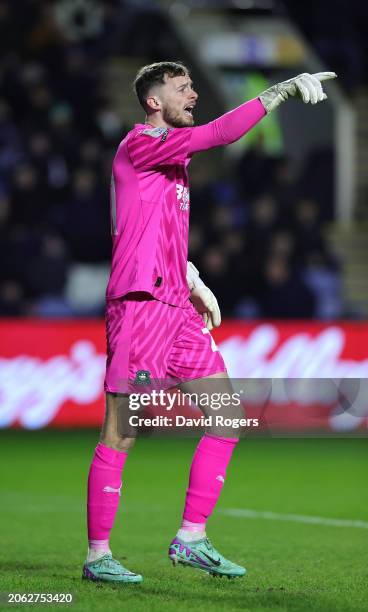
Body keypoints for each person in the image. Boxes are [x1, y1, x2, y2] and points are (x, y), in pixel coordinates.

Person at [82, 62, 336, 583]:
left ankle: (191, 539)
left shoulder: (169, 159)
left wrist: (192, 277)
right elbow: (219, 133)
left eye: (193, 86)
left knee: (226, 416)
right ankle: (97, 556)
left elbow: (149, 222)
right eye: (182, 88)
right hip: (140, 304)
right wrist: (276, 93)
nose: (193, 93)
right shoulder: (142, 142)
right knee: (121, 431)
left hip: (176, 304)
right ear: (153, 101)